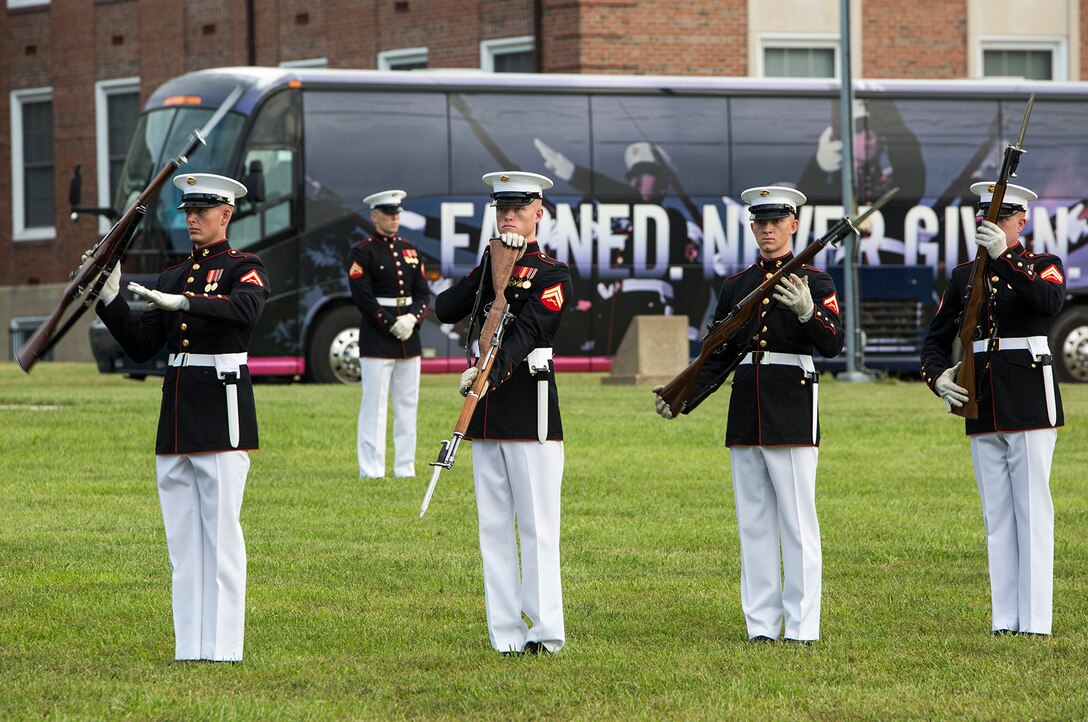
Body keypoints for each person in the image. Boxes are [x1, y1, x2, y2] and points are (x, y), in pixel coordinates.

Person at [653, 186, 844, 645]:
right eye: (760, 222)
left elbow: (833, 344)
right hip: (747, 407)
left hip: (793, 405)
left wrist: (808, 313)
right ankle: (761, 626)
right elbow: (717, 355)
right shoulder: (736, 286)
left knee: (798, 524)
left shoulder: (816, 283)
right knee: (753, 524)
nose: (767, 229)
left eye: (776, 221)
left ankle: (801, 627)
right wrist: (684, 396)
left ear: (793, 225)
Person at [94, 172, 269, 661]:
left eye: (202, 210)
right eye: (187, 211)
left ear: (226, 214)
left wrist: (187, 303)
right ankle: (190, 646)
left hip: (220, 406)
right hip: (175, 412)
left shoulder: (244, 267)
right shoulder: (172, 275)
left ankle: (225, 646)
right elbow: (144, 345)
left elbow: (245, 310)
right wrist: (109, 298)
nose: (192, 218)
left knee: (221, 536)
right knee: (183, 542)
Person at [434, 170, 572, 655]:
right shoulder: (491, 263)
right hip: (487, 412)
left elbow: (527, 333)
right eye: (501, 209)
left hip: (527, 406)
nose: (509, 216)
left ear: (539, 212)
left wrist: (487, 373)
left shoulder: (551, 272)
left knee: (537, 526)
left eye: (518, 208)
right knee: (493, 526)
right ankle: (505, 634)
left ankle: (546, 631)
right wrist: (489, 270)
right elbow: (444, 308)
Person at [921, 181, 1064, 637]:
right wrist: (937, 378)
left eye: (1002, 217)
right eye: (986, 216)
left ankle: (1036, 620)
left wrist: (1006, 257)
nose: (992, 224)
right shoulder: (964, 275)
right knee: (997, 515)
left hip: (1027, 394)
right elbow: (936, 338)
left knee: (1031, 510)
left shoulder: (1042, 265)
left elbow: (1050, 302)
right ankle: (1006, 618)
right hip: (982, 397)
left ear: (1021, 222)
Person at [348, 189, 430, 478]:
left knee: (408, 405)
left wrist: (411, 318)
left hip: (409, 333)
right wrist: (388, 321)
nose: (394, 218)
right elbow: (362, 297)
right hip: (377, 335)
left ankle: (405, 468)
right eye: (388, 213)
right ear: (375, 216)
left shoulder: (410, 249)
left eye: (397, 213)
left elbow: (423, 293)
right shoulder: (363, 251)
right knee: (374, 405)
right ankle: (371, 469)